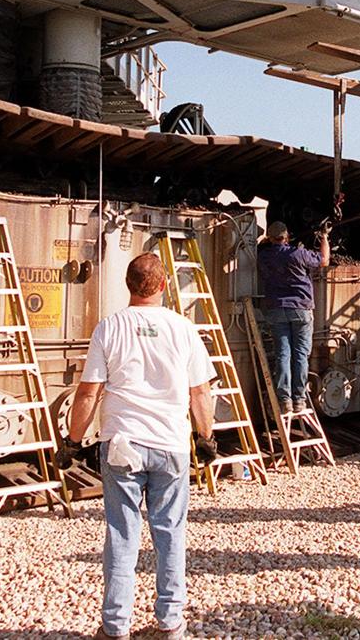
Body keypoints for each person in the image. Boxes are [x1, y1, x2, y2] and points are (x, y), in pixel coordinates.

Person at [56, 252, 216, 640]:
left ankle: (115, 628)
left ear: (128, 285)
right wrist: (205, 437)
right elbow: (200, 392)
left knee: (122, 535)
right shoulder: (183, 329)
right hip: (170, 445)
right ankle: (170, 623)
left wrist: (73, 442)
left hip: (121, 443)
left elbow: (89, 392)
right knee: (170, 533)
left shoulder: (109, 328)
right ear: (163, 286)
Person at [256, 219, 328, 414]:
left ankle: (284, 399)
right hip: (301, 309)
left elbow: (261, 248)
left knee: (283, 354)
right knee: (301, 355)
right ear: (286, 236)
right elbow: (323, 260)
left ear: (271, 238)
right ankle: (299, 399)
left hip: (277, 309)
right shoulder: (298, 253)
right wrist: (325, 237)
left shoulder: (264, 256)